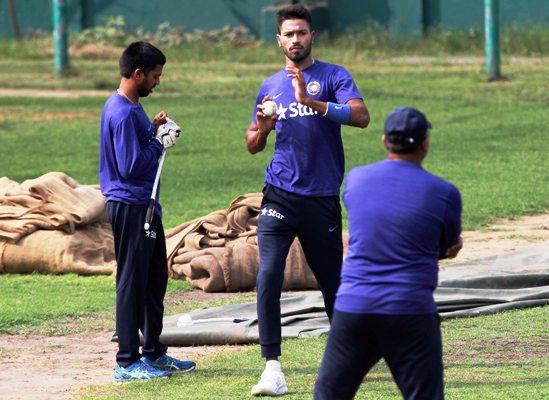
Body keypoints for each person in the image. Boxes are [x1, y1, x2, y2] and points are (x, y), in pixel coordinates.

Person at [245, 4, 370, 396]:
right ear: (278, 40)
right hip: (279, 194)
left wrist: (311, 101)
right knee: (268, 276)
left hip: (320, 199)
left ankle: (348, 355)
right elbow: (252, 143)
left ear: (312, 36)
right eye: (289, 34)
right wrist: (262, 130)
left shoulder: (334, 75)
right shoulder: (269, 85)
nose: (295, 40)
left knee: (332, 283)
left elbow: (362, 116)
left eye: (302, 32)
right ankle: (272, 369)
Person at [314, 106, 463, 400]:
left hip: (355, 308)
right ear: (425, 144)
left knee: (329, 394)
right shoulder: (444, 192)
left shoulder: (355, 180)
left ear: (384, 141)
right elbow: (445, 246)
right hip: (410, 311)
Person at [99, 41, 195, 383]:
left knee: (155, 278)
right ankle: (126, 362)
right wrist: (159, 142)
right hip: (130, 205)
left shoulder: (131, 106)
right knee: (132, 282)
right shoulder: (122, 111)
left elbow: (135, 147)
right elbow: (129, 165)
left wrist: (152, 129)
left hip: (146, 204)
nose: (158, 81)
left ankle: (153, 352)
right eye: (155, 76)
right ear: (138, 74)